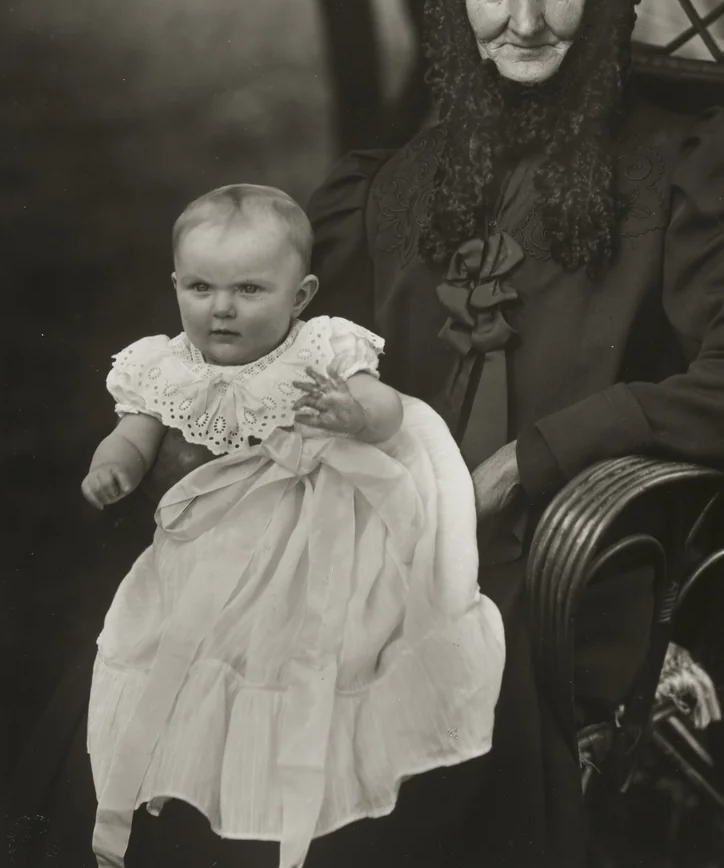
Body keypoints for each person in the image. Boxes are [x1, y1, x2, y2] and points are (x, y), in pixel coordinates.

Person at [11, 0, 724, 868]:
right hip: (355, 527)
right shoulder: (402, 179)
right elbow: (292, 351)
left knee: (379, 770)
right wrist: (189, 425)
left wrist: (533, 456)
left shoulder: (689, 168)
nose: (525, 18)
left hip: (550, 556)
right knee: (166, 661)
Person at [79, 183, 505, 868]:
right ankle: (203, 780)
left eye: (249, 289)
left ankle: (292, 794)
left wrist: (353, 414)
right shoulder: (164, 366)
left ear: (300, 296)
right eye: (201, 287)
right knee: (187, 648)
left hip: (316, 531)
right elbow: (133, 434)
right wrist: (114, 468)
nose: (221, 308)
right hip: (216, 542)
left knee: (308, 651)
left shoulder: (319, 349)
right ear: (176, 286)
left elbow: (387, 411)